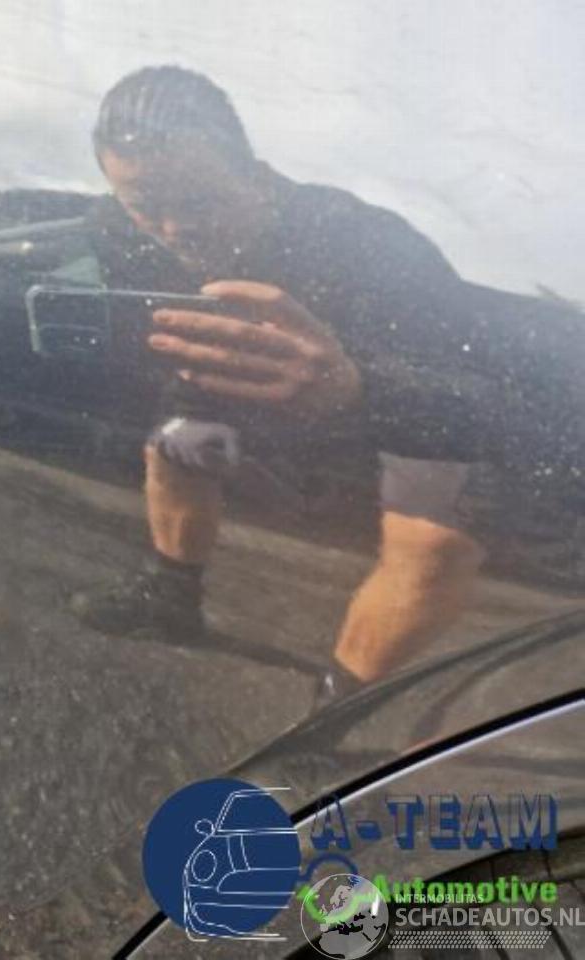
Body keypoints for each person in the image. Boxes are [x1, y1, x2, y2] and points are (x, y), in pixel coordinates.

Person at [70, 65, 519, 707]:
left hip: (400, 398)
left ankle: (336, 709)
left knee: (436, 547)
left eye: (198, 201)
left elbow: (476, 392)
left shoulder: (372, 243)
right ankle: (171, 597)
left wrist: (358, 385)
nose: (173, 228)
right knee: (175, 442)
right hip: (246, 378)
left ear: (255, 175)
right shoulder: (114, 226)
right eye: (144, 204)